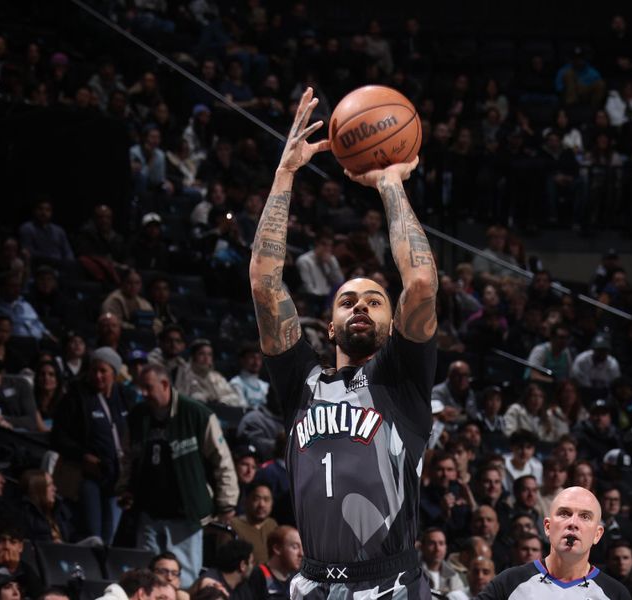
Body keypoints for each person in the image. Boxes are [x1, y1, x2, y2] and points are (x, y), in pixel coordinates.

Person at [252, 88, 438, 600]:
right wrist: (284, 174)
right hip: (310, 585)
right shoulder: (300, 383)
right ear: (328, 326)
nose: (361, 305)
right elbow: (265, 285)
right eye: (348, 300)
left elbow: (420, 284)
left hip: (391, 584)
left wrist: (389, 183)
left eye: (375, 301)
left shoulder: (400, 380)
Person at [121, 363, 238, 587]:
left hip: (186, 515)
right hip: (148, 512)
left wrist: (227, 502)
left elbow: (222, 461)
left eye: (148, 388)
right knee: (145, 578)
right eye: (141, 388)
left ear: (165, 384)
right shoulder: (137, 416)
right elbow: (127, 457)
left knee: (183, 579)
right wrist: (124, 487)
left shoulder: (196, 413)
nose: (143, 393)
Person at [475, 487, 630, 600]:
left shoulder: (615, 594)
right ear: (548, 527)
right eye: (565, 513)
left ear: (597, 534)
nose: (573, 523)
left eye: (584, 516)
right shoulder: (509, 582)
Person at [51, 347, 129, 544]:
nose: (98, 375)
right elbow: (58, 436)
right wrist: (82, 455)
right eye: (94, 370)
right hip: (88, 475)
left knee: (110, 536)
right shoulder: (76, 396)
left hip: (117, 477)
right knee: (92, 535)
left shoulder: (124, 396)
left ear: (114, 372)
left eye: (103, 371)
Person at [174, 339, 245, 407]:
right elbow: (181, 397)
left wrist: (221, 401)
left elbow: (234, 397)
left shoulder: (216, 376)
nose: (206, 358)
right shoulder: (185, 374)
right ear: (193, 356)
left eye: (209, 354)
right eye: (201, 354)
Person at [249, 526, 304, 600]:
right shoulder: (259, 575)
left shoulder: (297, 578)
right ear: (277, 549)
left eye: (302, 547)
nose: (301, 554)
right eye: (295, 547)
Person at [231, 484, 278, 565]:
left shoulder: (272, 524)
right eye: (256, 499)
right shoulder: (233, 525)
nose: (261, 505)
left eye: (266, 500)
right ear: (246, 501)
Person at [18, 197, 75, 262]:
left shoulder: (59, 231)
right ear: (34, 210)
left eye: (48, 210)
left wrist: (69, 263)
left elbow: (67, 251)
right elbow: (28, 251)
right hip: (38, 264)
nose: (44, 212)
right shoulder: (27, 228)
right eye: (40, 209)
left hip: (59, 265)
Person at [421, 527, 465, 596]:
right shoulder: (412, 573)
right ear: (422, 547)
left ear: (445, 548)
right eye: (432, 543)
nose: (437, 548)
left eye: (441, 543)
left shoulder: (453, 574)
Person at [228, 343, 270, 408]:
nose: (256, 362)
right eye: (252, 357)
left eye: (259, 358)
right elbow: (241, 411)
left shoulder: (264, 386)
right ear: (242, 360)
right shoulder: (236, 384)